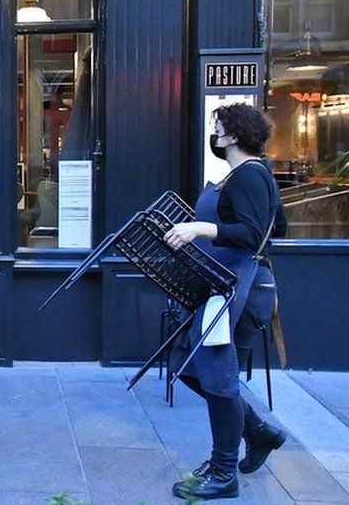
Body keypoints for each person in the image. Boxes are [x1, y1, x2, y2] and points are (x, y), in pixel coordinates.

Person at [163, 104, 288, 500]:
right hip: (223, 286)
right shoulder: (246, 176)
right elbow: (276, 224)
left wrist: (199, 227)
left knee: (216, 376)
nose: (214, 132)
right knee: (190, 366)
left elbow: (254, 235)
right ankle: (259, 431)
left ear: (234, 134)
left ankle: (223, 473)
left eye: (218, 126)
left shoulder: (250, 175)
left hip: (240, 290)